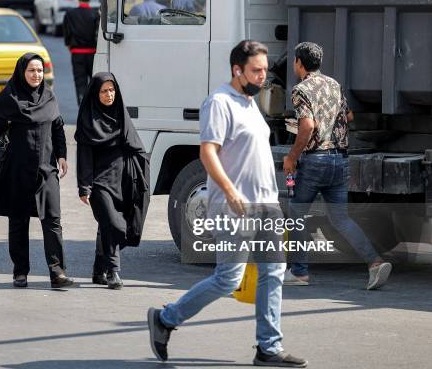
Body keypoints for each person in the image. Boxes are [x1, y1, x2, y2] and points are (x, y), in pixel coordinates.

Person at [147, 40, 307, 367]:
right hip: (235, 205)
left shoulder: (250, 104)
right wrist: (230, 191)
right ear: (237, 70)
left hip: (266, 203)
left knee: (273, 271)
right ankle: (165, 319)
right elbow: (208, 152)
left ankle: (268, 347)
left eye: (264, 69)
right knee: (228, 279)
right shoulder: (219, 102)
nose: (263, 76)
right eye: (256, 70)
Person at [282, 42, 392, 290]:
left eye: (294, 61)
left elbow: (308, 126)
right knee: (340, 218)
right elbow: (348, 116)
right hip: (340, 159)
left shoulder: (301, 89)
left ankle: (299, 272)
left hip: (315, 161)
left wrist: (291, 156)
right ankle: (374, 263)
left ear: (299, 62)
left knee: (296, 215)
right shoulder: (334, 85)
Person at [0, 53, 74, 289]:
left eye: (40, 71)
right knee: (18, 221)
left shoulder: (49, 97)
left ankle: (57, 273)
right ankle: (20, 272)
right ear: (22, 72)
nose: (36, 75)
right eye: (31, 71)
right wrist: (8, 121)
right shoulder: (9, 97)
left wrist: (62, 155)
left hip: (46, 170)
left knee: (53, 221)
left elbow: (57, 126)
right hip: (17, 169)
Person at [75, 73, 149, 290]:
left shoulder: (121, 115)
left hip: (123, 180)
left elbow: (136, 146)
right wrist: (84, 186)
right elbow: (84, 157)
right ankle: (114, 272)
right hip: (99, 183)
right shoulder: (88, 120)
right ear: (95, 93)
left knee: (106, 226)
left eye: (112, 90)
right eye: (103, 91)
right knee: (115, 225)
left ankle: (99, 270)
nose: (109, 95)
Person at [63, 0, 99, 106]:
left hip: (77, 53)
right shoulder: (95, 14)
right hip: (93, 53)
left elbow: (67, 33)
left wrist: (69, 46)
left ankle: (83, 108)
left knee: (80, 83)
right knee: (94, 82)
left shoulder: (70, 14)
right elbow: (98, 34)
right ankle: (94, 108)